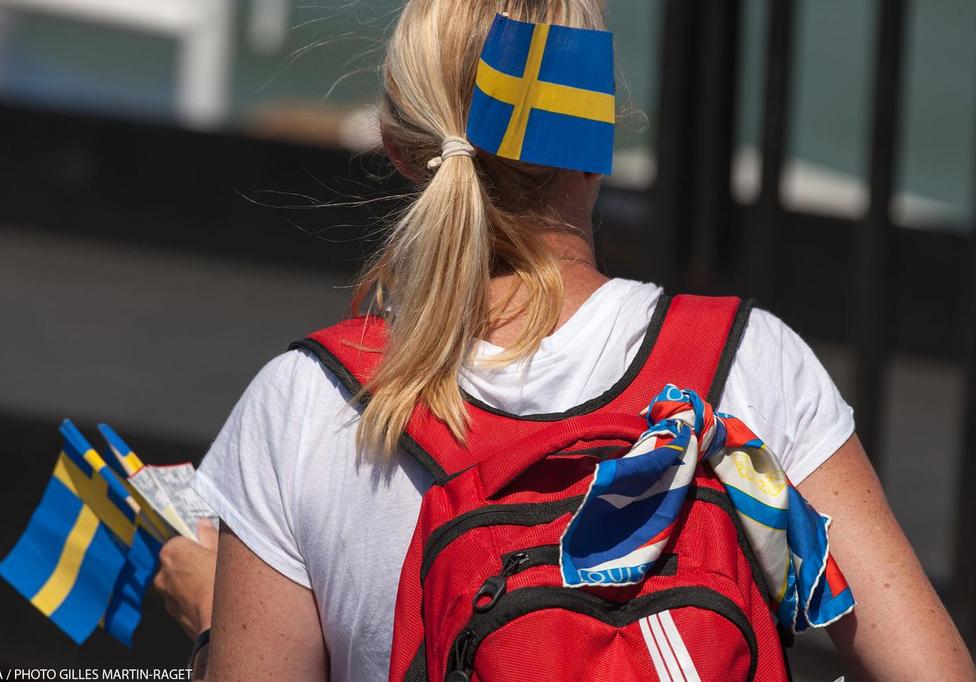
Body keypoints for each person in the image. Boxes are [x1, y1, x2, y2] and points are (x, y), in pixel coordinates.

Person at [154, 1, 975, 679]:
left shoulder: (309, 403)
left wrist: (207, 631)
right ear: (598, 143)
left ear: (402, 151)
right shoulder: (746, 362)